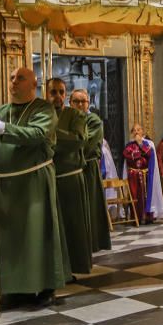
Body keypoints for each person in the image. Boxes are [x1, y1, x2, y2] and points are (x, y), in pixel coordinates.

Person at [0, 67, 70, 306]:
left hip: (33, 182)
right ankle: (14, 288)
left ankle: (44, 288)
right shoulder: (1, 111)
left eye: (20, 78)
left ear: (33, 85)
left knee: (36, 236)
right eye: (11, 77)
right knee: (10, 239)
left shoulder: (44, 109)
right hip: (6, 185)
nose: (13, 82)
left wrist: (1, 129)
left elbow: (37, 134)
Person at [47, 78, 94, 275]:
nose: (57, 96)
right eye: (53, 92)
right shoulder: (41, 115)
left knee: (72, 226)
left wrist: (50, 134)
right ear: (46, 93)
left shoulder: (75, 115)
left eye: (61, 92)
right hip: (49, 179)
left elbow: (79, 140)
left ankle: (76, 266)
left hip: (70, 178)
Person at [71, 89, 112, 252]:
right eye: (77, 101)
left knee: (90, 205)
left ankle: (93, 241)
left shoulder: (93, 120)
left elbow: (86, 143)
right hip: (72, 169)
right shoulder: (66, 119)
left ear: (88, 103)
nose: (80, 104)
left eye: (83, 101)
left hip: (88, 167)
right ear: (70, 103)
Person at [123, 124, 155, 224]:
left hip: (145, 174)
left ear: (142, 132)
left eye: (138, 130)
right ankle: (136, 218)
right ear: (132, 133)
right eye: (134, 130)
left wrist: (140, 144)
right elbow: (127, 155)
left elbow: (149, 154)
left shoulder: (147, 144)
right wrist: (139, 152)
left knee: (146, 195)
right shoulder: (129, 145)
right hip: (134, 174)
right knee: (135, 196)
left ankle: (148, 217)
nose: (136, 132)